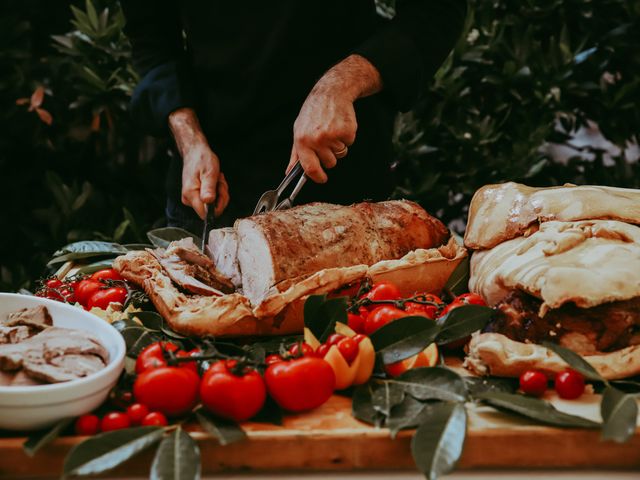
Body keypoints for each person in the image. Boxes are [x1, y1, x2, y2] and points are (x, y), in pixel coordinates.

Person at [121, 1, 467, 232]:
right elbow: (153, 40)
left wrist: (340, 84)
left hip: (340, 185)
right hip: (209, 189)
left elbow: (434, 12)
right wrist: (190, 140)